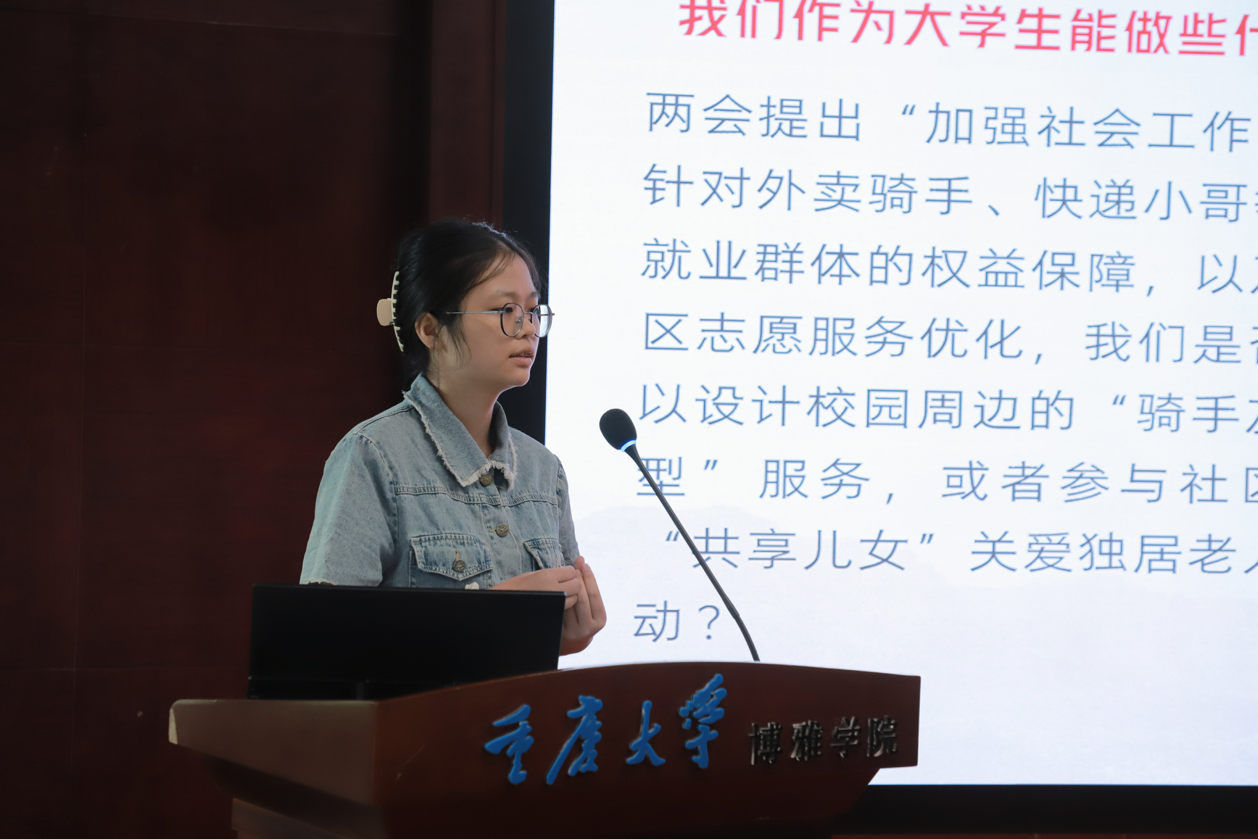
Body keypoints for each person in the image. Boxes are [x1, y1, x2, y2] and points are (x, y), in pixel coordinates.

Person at [300, 218, 606, 655]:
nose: (527, 328)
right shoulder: (374, 456)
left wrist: (567, 638)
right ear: (432, 330)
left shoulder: (544, 471)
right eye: (506, 311)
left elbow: (531, 649)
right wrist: (484, 617)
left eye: (533, 311)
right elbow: (322, 639)